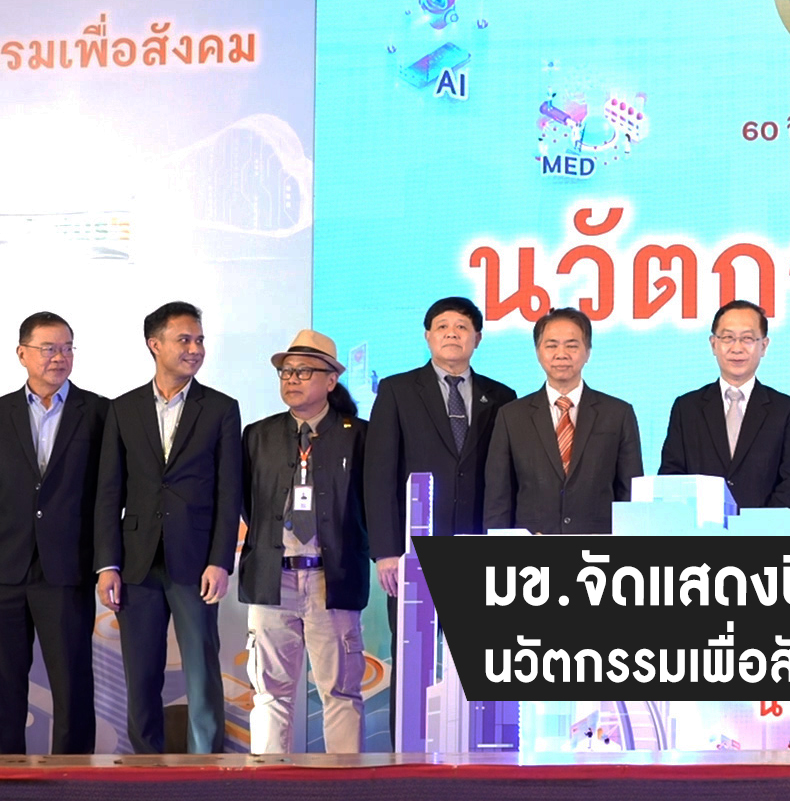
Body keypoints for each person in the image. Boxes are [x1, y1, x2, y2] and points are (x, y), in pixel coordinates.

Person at [94, 301, 243, 754]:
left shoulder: (220, 408)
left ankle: (206, 768)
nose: (195, 349)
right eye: (184, 340)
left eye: (199, 340)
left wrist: (220, 561)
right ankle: (145, 766)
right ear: (154, 344)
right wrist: (107, 565)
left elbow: (229, 493)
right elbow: (108, 493)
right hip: (136, 563)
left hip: (196, 562)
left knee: (202, 672)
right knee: (141, 675)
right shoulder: (123, 409)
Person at [238, 331, 370, 753]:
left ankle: (345, 782)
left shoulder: (359, 435)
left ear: (331, 381)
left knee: (341, 691)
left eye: (304, 371)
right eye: (286, 371)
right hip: (272, 577)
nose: (292, 379)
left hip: (331, 577)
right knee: (269, 693)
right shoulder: (258, 435)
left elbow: (371, 505)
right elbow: (248, 504)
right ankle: (268, 781)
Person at [364, 297, 514, 620]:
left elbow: (507, 477)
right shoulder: (397, 391)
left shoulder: (502, 397)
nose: (452, 333)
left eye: (462, 327)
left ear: (477, 338)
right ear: (428, 336)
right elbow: (379, 476)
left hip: (480, 550)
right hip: (414, 550)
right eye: (442, 326)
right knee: (413, 647)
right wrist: (386, 551)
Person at [0, 312, 105, 755]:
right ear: (22, 353)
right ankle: (6, 773)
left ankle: (74, 776)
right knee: (4, 683)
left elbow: (109, 494)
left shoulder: (99, 412)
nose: (59, 357)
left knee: (72, 683)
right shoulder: (2, 412)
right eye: (48, 349)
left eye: (66, 348)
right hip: (6, 567)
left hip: (67, 567)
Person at [485, 307, 642, 534]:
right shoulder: (511, 416)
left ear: (588, 352)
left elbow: (630, 493)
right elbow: (498, 497)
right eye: (551, 345)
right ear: (538, 352)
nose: (561, 354)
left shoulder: (618, 414)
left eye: (572, 345)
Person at [659, 300, 790, 509]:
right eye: (728, 338)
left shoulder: (785, 410)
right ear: (713, 344)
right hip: (701, 526)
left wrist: (762, 524)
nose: (737, 348)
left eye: (747, 338)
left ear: (763, 346)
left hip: (764, 526)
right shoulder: (687, 408)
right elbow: (671, 476)